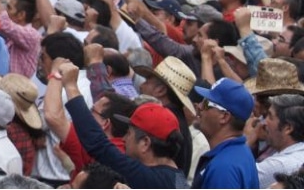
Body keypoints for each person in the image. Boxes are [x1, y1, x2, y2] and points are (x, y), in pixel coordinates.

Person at [57, 59, 188, 188]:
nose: (124, 138)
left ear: (145, 143)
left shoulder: (148, 178)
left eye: (129, 133)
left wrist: (71, 86)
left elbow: (98, 145)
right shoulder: (179, 179)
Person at [193, 77, 259, 188]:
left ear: (224, 116)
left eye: (206, 104)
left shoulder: (223, 168)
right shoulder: (239, 153)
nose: (199, 107)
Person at [258, 95, 304, 188]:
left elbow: (234, 177)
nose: (264, 122)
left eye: (270, 117)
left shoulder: (278, 165)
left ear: (288, 128)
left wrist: (246, 141)